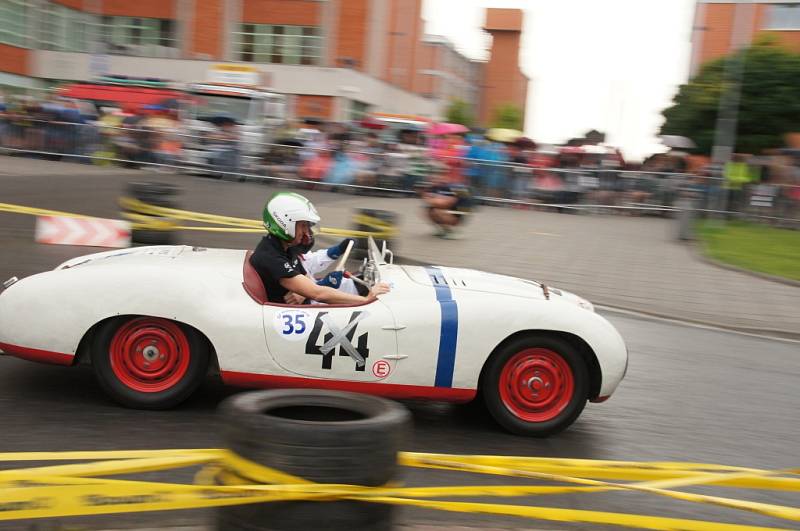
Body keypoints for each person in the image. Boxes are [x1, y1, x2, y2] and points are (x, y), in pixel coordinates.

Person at [250, 192, 390, 304]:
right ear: (285, 223)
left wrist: (310, 289)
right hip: (296, 313)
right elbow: (318, 294)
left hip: (305, 304)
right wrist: (366, 299)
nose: (306, 232)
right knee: (356, 292)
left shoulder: (286, 247)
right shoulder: (270, 257)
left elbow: (308, 281)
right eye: (303, 225)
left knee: (350, 284)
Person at [421, 167, 474, 239]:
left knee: (437, 211)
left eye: (435, 177)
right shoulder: (436, 187)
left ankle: (455, 232)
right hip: (453, 209)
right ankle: (444, 231)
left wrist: (432, 200)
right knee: (429, 211)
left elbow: (446, 203)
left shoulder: (453, 186)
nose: (431, 180)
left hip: (461, 212)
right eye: (431, 178)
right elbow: (432, 200)